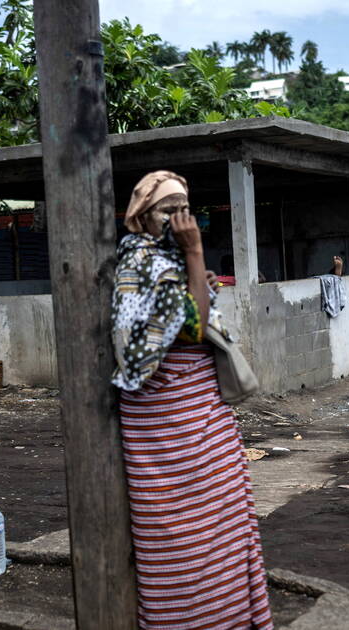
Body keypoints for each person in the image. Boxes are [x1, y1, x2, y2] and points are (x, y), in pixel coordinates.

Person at [111, 170, 273, 629]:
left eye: (186, 209)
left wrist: (191, 268)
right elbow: (192, 328)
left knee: (223, 530)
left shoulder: (171, 258)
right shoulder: (141, 260)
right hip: (167, 427)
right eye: (170, 211)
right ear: (141, 217)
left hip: (203, 417)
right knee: (177, 540)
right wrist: (194, 251)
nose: (182, 220)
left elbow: (195, 317)